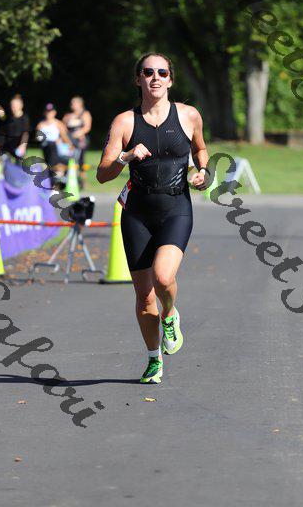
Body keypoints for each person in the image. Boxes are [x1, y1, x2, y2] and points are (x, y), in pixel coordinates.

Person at [96, 52, 210, 384]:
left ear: (170, 79)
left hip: (176, 208)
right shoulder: (124, 122)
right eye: (148, 72)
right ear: (138, 79)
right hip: (137, 214)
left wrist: (204, 172)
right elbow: (102, 174)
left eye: (162, 72)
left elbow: (200, 149)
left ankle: (170, 314)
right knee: (145, 297)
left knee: (163, 277)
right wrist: (125, 156)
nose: (155, 77)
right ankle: (153, 359)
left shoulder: (188, 115)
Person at [36, 103, 73, 180]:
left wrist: (70, 146)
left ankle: (57, 175)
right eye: (47, 112)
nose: (49, 114)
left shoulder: (58, 124)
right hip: (46, 147)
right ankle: (54, 175)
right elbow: (37, 138)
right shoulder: (41, 125)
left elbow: (64, 137)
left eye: (50, 112)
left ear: (54, 112)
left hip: (56, 148)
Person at [63, 96, 92, 188]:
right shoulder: (68, 115)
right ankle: (68, 179)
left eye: (73, 103)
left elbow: (87, 127)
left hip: (81, 141)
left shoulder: (85, 114)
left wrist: (78, 134)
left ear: (80, 104)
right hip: (69, 141)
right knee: (69, 159)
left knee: (80, 160)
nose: (71, 105)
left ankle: (82, 181)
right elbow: (63, 127)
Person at [0, 94, 31, 163]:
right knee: (6, 166)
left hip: (19, 147)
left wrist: (23, 145)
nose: (13, 108)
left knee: (19, 166)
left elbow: (26, 133)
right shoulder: (8, 117)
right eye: (12, 106)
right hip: (7, 147)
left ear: (21, 105)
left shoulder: (24, 118)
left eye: (15, 106)